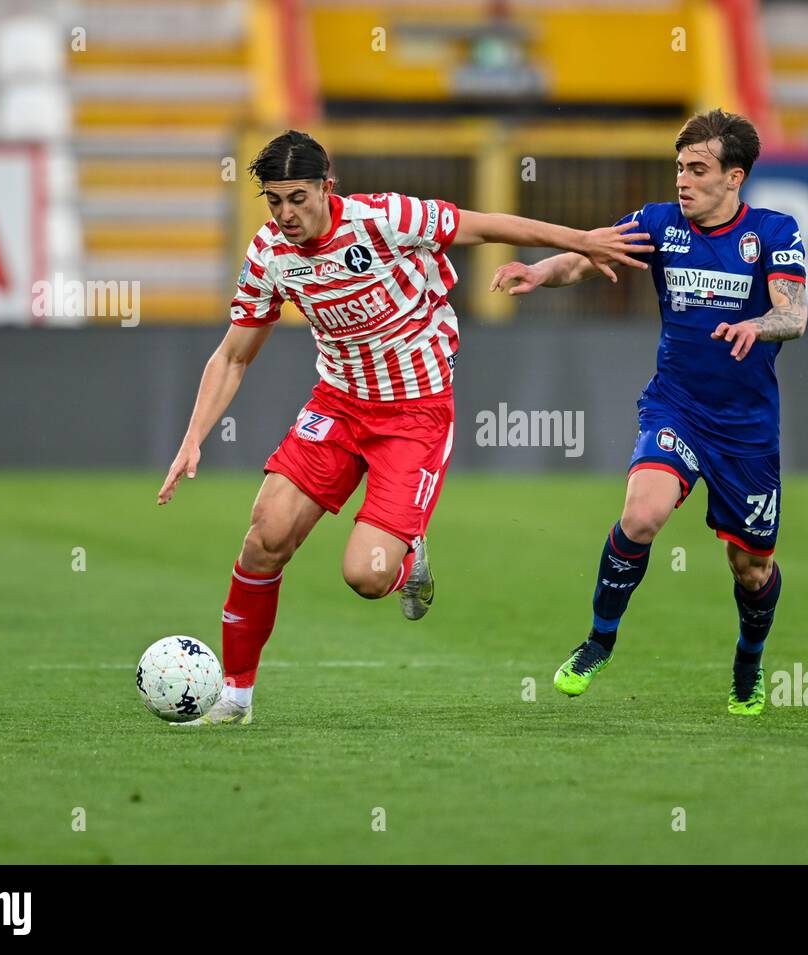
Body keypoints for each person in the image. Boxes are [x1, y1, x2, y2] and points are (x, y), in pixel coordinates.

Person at [157, 130, 653, 726]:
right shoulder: (269, 255)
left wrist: (578, 240)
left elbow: (484, 224)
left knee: (366, 577)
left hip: (414, 414)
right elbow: (234, 355)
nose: (286, 214)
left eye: (297, 198)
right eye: (274, 201)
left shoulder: (384, 218)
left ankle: (407, 552)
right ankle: (235, 700)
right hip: (337, 406)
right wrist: (192, 439)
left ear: (325, 188)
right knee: (265, 538)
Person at [490, 109, 807, 716]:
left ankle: (749, 659)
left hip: (745, 426)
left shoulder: (773, 231)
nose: (682, 180)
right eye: (678, 167)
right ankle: (598, 642)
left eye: (697, 169)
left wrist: (756, 325)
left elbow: (793, 315)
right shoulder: (658, 223)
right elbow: (586, 255)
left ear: (734, 177)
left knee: (751, 566)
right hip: (676, 406)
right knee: (642, 514)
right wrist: (538, 270)